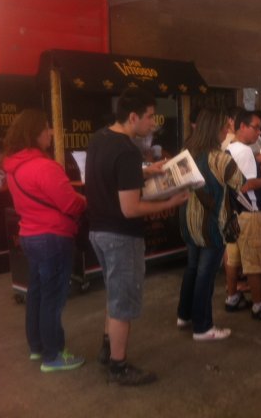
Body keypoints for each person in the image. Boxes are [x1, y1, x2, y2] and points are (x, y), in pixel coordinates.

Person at [86, 87, 189, 386]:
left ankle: (108, 348)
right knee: (124, 302)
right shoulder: (127, 149)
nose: (152, 123)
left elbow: (111, 173)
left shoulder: (100, 138)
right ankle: (118, 365)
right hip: (121, 235)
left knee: (114, 294)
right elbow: (130, 208)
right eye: (149, 117)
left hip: (98, 231)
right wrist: (169, 202)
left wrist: (147, 171)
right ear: (132, 117)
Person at [2, 109, 87, 372]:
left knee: (37, 293)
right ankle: (53, 355)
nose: (51, 133)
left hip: (30, 235)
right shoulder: (45, 167)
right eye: (47, 128)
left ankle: (37, 347)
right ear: (35, 133)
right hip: (53, 238)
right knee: (53, 297)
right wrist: (85, 199)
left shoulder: (13, 166)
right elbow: (70, 203)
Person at [177, 107, 246, 340]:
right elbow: (241, 183)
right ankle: (203, 327)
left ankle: (184, 315)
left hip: (188, 221)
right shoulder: (221, 158)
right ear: (216, 129)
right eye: (226, 127)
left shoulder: (186, 153)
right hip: (213, 225)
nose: (228, 130)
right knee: (206, 275)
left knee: (193, 268)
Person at [224, 110, 261, 321]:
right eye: (255, 127)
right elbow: (247, 185)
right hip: (250, 212)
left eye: (260, 127)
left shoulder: (229, 148)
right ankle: (259, 305)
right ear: (242, 127)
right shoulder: (245, 152)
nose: (259, 132)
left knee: (233, 258)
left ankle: (232, 297)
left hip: (234, 213)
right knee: (254, 262)